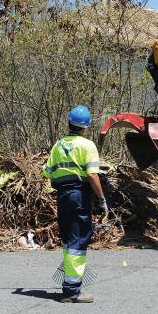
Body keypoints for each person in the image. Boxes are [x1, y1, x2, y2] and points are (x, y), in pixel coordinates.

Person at [42, 105, 108, 303]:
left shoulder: (58, 145)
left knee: (70, 238)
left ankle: (70, 286)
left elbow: (47, 172)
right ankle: (71, 291)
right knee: (78, 239)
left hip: (62, 196)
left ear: (69, 122)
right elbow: (92, 174)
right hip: (79, 195)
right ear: (85, 127)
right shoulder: (87, 146)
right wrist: (101, 199)